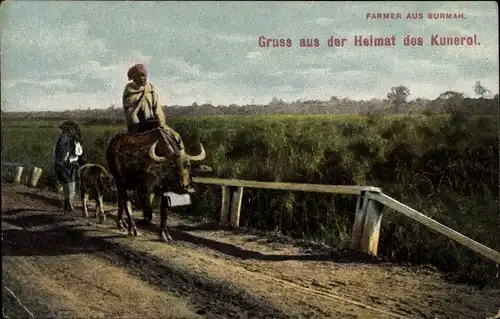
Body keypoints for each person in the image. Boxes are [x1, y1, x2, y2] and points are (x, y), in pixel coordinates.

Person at [122, 63, 185, 151]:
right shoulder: (130, 91)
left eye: (143, 75)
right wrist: (138, 127)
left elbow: (158, 110)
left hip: (153, 123)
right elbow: (130, 114)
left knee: (175, 136)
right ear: (133, 78)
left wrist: (162, 123)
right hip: (138, 125)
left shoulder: (150, 91)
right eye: (138, 76)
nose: (141, 78)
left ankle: (181, 155)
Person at [53, 121, 87, 213]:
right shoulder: (62, 139)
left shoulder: (75, 141)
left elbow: (79, 155)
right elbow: (59, 153)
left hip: (71, 165)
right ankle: (68, 202)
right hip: (63, 164)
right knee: (67, 184)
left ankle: (68, 202)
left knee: (71, 184)